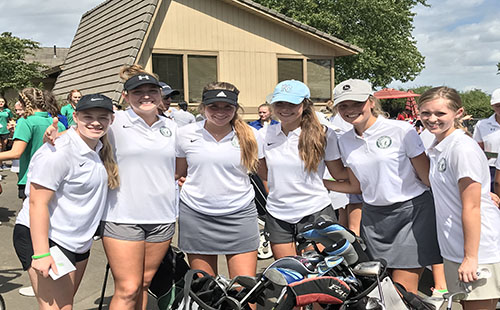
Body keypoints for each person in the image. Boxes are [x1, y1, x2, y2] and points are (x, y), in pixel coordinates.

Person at [325, 79, 442, 294]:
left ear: (371, 102)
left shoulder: (401, 130)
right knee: (382, 290)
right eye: (343, 106)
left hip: (413, 215)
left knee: (401, 292)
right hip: (374, 221)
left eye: (356, 103)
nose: (350, 110)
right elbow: (354, 185)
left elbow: (428, 178)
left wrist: (475, 195)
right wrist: (317, 183)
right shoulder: (344, 140)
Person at [12, 93, 118, 310]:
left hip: (78, 241)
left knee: (64, 305)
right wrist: (41, 253)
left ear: (112, 120)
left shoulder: (98, 147)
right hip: (49, 239)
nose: (96, 122)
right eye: (88, 116)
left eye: (103, 117)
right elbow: (37, 203)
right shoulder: (58, 151)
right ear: (75, 117)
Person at [419, 86, 500, 310]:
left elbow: (472, 207)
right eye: (425, 113)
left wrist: (471, 257)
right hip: (454, 246)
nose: (432, 119)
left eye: (440, 113)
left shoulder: (461, 148)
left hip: (478, 249)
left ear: (458, 113)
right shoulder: (438, 146)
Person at [175, 81, 260, 278]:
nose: (220, 112)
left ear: (236, 108)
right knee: (206, 289)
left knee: (244, 288)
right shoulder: (185, 134)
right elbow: (179, 173)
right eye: (213, 106)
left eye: (227, 107)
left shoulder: (252, 135)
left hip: (239, 213)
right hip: (196, 214)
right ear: (203, 107)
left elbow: (264, 173)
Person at [257, 80, 348, 259]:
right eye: (280, 103)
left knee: (319, 277)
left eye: (292, 103)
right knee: (288, 273)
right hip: (278, 213)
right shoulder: (263, 134)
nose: (285, 108)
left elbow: (338, 173)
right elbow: (263, 172)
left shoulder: (324, 134)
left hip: (316, 210)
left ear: (305, 104)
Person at [0, 88, 66, 200]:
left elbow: (16, 153)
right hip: (55, 177)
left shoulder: (25, 121)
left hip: (31, 178)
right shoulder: (58, 123)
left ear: (21, 103)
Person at [472, 88, 500, 191]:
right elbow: (478, 149)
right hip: (491, 169)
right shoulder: (482, 125)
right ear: (492, 106)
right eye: (498, 106)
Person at [0, 96, 13, 170]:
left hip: (5, 131)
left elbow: (11, 119)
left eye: (2, 102)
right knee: (0, 146)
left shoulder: (7, 111)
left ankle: (1, 163)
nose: (1, 103)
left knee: (3, 147)